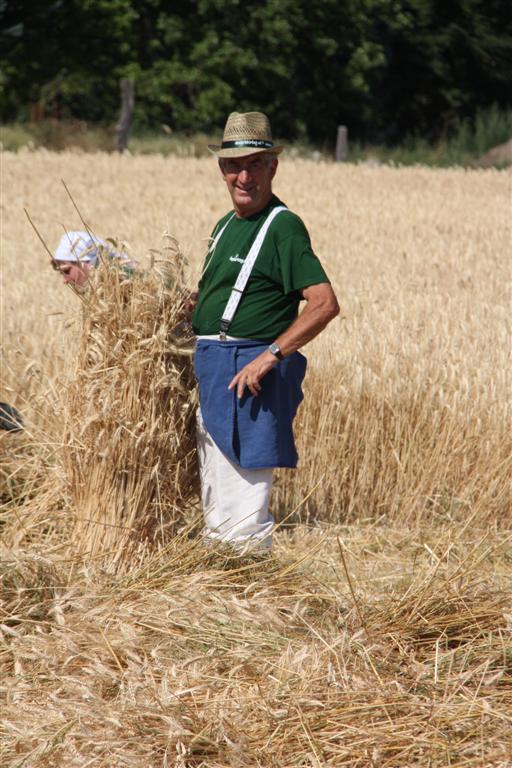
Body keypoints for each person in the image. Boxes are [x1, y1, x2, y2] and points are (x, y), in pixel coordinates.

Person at [191, 111, 339, 553]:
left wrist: (270, 356)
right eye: (234, 166)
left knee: (243, 503)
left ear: (273, 167)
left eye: (255, 165)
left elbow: (324, 303)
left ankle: (247, 594)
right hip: (214, 368)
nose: (244, 176)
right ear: (221, 170)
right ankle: (222, 591)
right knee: (218, 494)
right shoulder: (224, 227)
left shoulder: (282, 226)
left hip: (248, 376)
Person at [51, 230, 134, 287]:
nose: (65, 281)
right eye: (62, 274)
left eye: (67, 271)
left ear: (90, 263)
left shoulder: (132, 293)